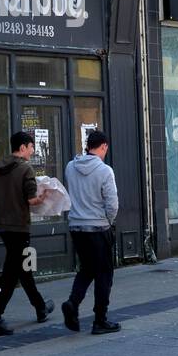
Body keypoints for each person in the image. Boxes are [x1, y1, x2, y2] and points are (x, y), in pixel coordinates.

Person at [0, 131, 53, 336]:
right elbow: (31, 201)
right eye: (31, 147)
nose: (32, 151)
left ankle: (40, 307)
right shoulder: (25, 169)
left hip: (4, 226)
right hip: (19, 227)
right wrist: (44, 197)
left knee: (23, 266)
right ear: (22, 147)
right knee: (12, 271)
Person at [62, 130, 121, 335]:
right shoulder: (105, 171)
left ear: (88, 145)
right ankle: (100, 320)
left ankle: (73, 302)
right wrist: (109, 221)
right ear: (103, 146)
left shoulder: (71, 167)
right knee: (104, 274)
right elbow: (112, 204)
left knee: (87, 269)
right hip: (98, 228)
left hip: (76, 228)